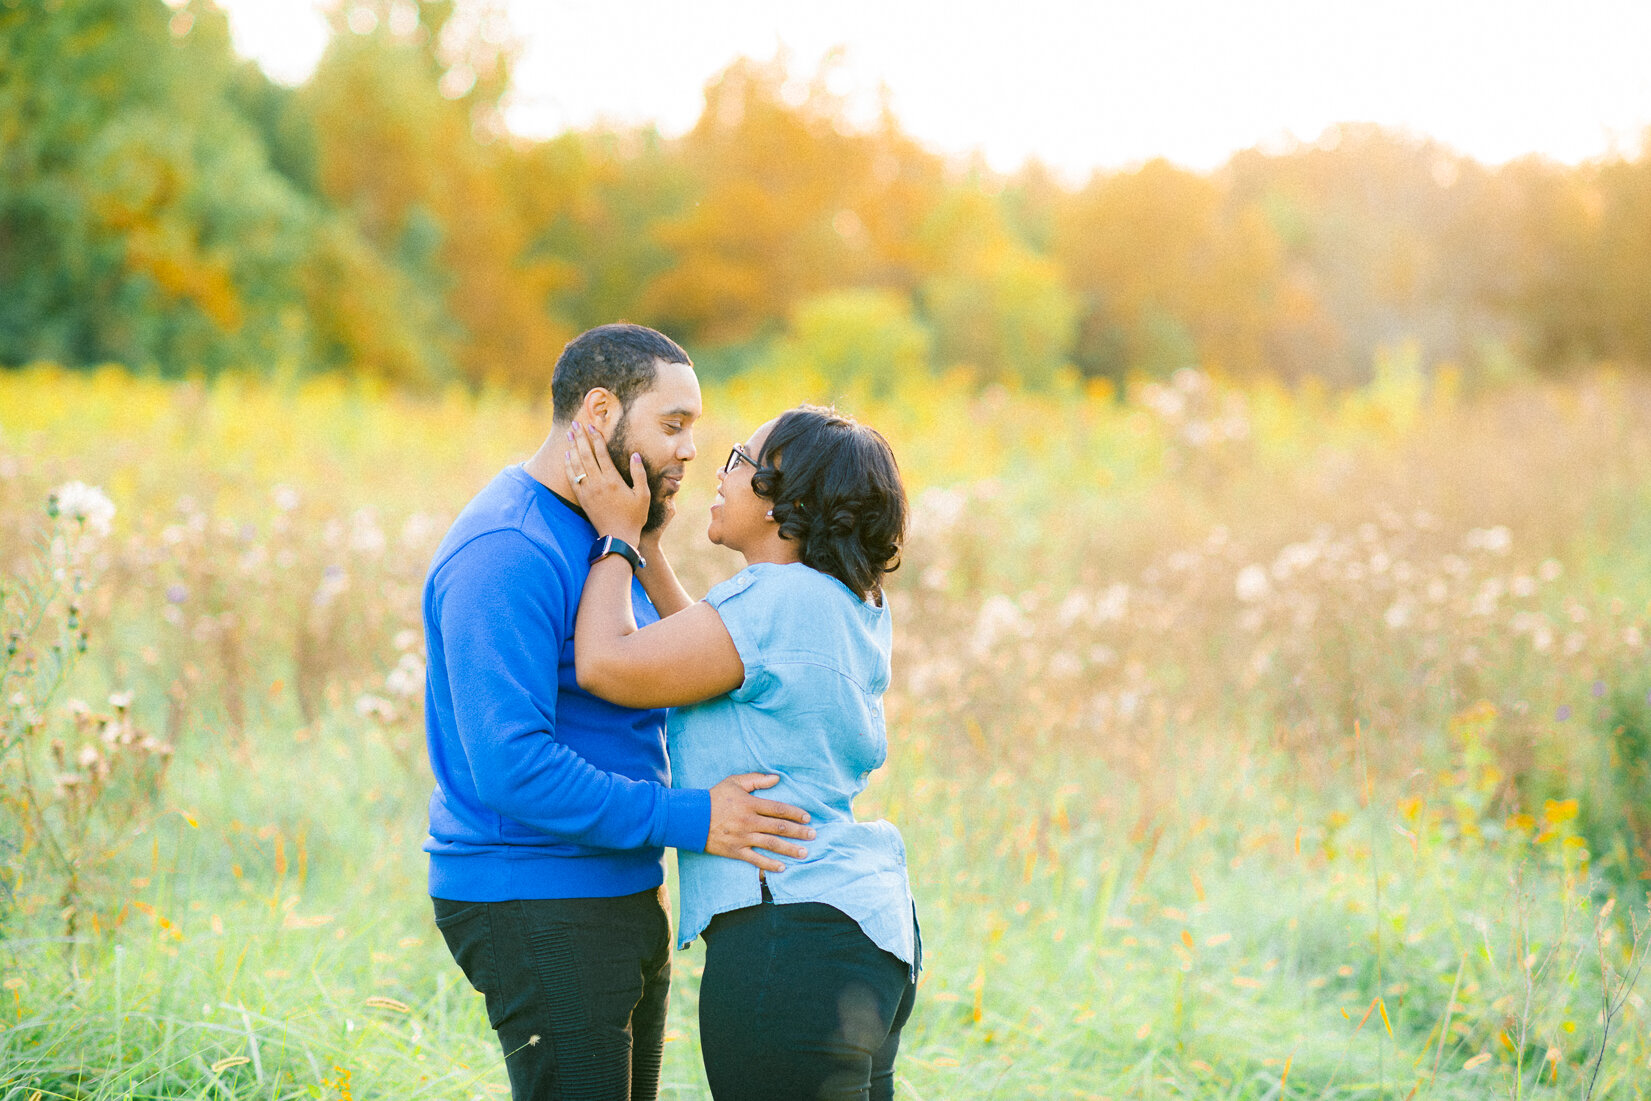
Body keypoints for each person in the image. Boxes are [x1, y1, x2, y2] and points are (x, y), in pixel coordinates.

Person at [421, 323, 816, 1101]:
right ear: (599, 412)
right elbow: (511, 765)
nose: (690, 450)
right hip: (534, 892)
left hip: (617, 883)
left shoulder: (610, 536)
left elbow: (680, 663)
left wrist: (634, 542)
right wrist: (692, 818)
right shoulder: (505, 547)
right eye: (673, 425)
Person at [564, 404, 920, 1101]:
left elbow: (606, 664)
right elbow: (710, 654)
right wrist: (654, 552)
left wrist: (615, 539)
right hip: (857, 932)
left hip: (789, 938)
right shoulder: (838, 600)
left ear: (786, 501)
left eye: (738, 460)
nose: (718, 475)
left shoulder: (775, 600)